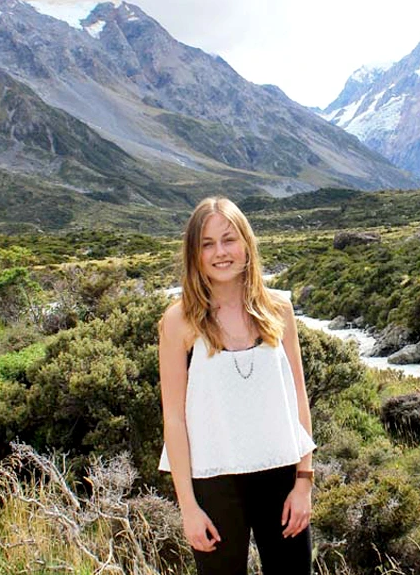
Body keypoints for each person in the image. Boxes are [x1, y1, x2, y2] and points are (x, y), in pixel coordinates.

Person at [157, 197, 316, 575]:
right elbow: (174, 419)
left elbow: (298, 396)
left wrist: (304, 481)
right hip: (213, 483)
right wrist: (189, 508)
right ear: (194, 253)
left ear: (246, 243)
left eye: (228, 239)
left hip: (281, 476)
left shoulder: (279, 310)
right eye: (207, 244)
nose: (220, 252)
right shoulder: (179, 322)